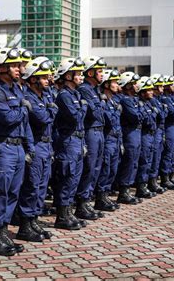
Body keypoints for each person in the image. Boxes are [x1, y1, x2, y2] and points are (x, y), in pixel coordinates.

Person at [0, 47, 34, 256]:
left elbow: (24, 123)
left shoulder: (16, 91)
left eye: (18, 65)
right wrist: (23, 108)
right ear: (1, 67)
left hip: (17, 147)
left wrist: (29, 147)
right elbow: (8, 118)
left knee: (12, 192)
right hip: (2, 148)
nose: (18, 69)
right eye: (13, 65)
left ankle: (3, 233)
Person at [17, 56, 57, 242]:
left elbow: (49, 115)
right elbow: (43, 118)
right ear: (33, 79)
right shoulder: (28, 97)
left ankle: (33, 220)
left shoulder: (43, 96)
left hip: (46, 145)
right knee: (31, 186)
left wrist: (50, 109)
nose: (48, 80)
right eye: (43, 77)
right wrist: (51, 109)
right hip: (36, 144)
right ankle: (25, 226)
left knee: (41, 186)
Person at [52, 57, 87, 230]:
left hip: (78, 139)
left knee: (74, 178)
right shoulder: (65, 95)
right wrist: (84, 107)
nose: (81, 76)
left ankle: (69, 212)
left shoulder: (76, 94)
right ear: (68, 76)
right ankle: (61, 216)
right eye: (78, 73)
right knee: (67, 177)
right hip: (68, 140)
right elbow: (76, 117)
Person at [75, 56, 107, 220]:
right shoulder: (85, 89)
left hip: (99, 131)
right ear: (90, 72)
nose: (102, 74)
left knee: (96, 168)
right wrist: (100, 105)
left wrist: (99, 105)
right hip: (91, 131)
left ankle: (87, 201)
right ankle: (81, 204)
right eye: (99, 71)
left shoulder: (95, 90)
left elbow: (101, 111)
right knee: (89, 168)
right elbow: (95, 112)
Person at [94, 69, 122, 212]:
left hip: (115, 138)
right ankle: (100, 197)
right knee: (105, 169)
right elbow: (109, 120)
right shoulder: (103, 100)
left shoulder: (113, 100)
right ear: (106, 84)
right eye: (114, 82)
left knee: (113, 168)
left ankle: (105, 195)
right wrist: (116, 110)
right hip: (107, 138)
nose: (117, 85)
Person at [115, 72, 144, 205]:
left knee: (134, 162)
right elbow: (135, 116)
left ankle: (128, 189)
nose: (137, 86)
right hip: (130, 133)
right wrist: (141, 113)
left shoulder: (134, 100)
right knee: (129, 161)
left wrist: (140, 113)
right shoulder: (125, 100)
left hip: (136, 132)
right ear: (128, 85)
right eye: (134, 83)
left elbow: (142, 116)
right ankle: (123, 191)